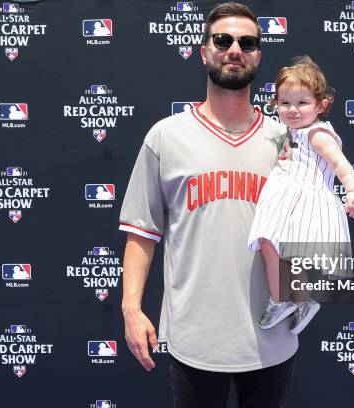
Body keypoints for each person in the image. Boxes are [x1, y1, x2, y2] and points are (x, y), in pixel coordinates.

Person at [119, 3, 297, 407]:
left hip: (272, 338)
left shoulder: (286, 140)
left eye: (247, 42)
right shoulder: (166, 136)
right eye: (223, 40)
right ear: (204, 52)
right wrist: (131, 307)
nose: (235, 49)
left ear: (257, 56)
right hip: (195, 339)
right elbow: (141, 230)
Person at [248, 56, 354, 335]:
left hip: (305, 198)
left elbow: (341, 165)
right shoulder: (290, 131)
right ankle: (301, 302)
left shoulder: (317, 134)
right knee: (291, 255)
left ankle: (279, 300)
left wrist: (353, 190)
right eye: (285, 103)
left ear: (321, 105)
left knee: (270, 243)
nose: (293, 110)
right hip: (290, 196)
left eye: (302, 103)